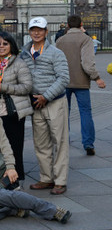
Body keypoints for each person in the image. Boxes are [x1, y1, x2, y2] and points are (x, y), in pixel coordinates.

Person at [20, 17, 70, 195]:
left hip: (55, 102)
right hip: (35, 105)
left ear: (46, 32)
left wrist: (46, 96)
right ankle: (46, 178)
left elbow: (64, 78)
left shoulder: (56, 53)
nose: (36, 32)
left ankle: (60, 180)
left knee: (60, 141)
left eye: (40, 30)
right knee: (41, 144)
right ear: (29, 31)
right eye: (33, 29)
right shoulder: (24, 53)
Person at [56, 15, 106, 156]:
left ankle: (64, 140)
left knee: (64, 112)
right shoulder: (86, 39)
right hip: (81, 82)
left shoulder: (60, 40)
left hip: (63, 81)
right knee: (85, 112)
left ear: (67, 25)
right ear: (81, 24)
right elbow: (87, 63)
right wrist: (97, 78)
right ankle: (88, 143)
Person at [0, 31, 34, 187]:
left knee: (14, 145)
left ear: (11, 45)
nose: (1, 47)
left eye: (5, 43)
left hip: (12, 110)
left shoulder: (18, 63)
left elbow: (27, 87)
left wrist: (4, 87)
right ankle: (2, 174)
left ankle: (16, 177)